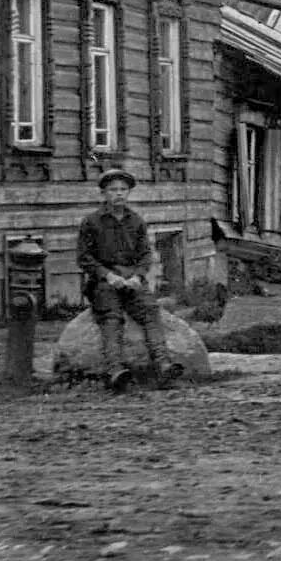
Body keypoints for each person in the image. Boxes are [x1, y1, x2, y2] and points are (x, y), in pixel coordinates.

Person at [76, 168, 182, 393]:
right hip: (104, 283)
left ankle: (163, 365)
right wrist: (108, 275)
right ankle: (115, 370)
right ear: (104, 193)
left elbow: (145, 255)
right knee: (112, 318)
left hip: (132, 280)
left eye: (123, 190)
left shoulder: (136, 221)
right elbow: (84, 258)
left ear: (129, 193)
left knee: (150, 312)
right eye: (113, 190)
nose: (119, 194)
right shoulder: (92, 222)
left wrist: (138, 276)